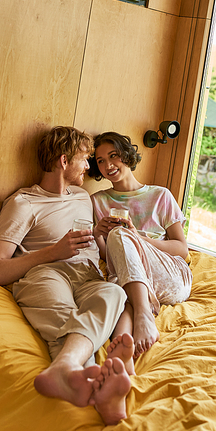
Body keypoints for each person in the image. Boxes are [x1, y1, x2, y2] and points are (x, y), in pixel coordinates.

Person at [0, 126, 132, 425]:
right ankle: (95, 391)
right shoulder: (23, 203)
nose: (89, 167)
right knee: (65, 315)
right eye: (85, 159)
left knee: (114, 293)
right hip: (45, 273)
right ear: (64, 161)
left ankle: (66, 370)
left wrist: (105, 237)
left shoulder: (82, 198)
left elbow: (96, 250)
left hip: (88, 276)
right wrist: (53, 251)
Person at [89, 131, 192, 359]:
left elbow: (182, 249)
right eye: (101, 161)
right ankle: (121, 350)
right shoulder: (98, 201)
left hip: (170, 275)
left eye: (113, 155)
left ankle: (144, 314)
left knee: (120, 238)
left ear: (126, 156)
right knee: (118, 282)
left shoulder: (160, 195)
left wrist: (139, 238)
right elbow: (109, 257)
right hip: (131, 277)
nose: (108, 165)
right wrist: (98, 234)